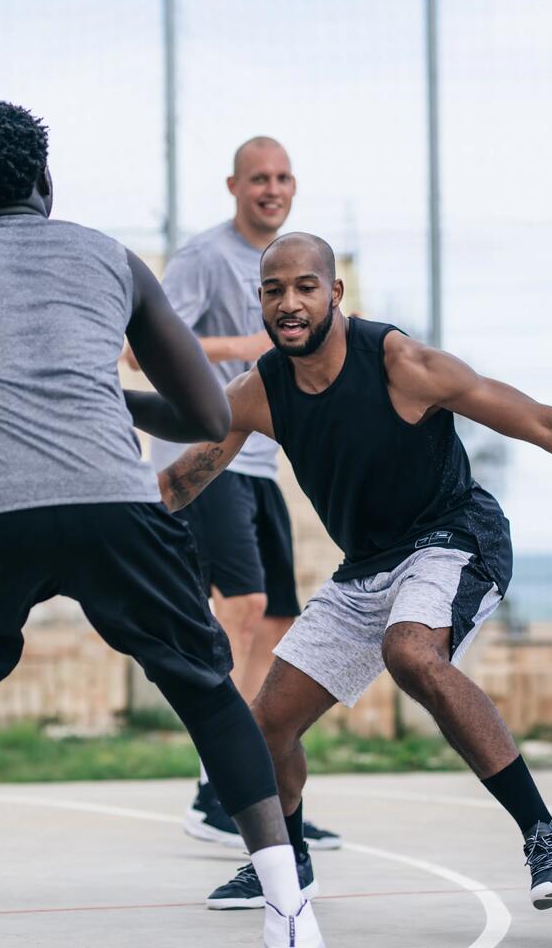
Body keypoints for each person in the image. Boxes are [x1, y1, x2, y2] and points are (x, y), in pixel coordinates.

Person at [0, 103, 325, 948]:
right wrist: (96, 394)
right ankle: (289, 910)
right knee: (205, 688)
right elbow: (204, 412)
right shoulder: (110, 257)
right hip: (114, 509)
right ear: (45, 180)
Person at [157, 231, 552, 914]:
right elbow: (180, 483)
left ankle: (546, 837)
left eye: (304, 287)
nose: (289, 303)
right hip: (366, 567)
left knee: (411, 650)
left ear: (335, 293)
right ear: (260, 304)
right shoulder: (258, 392)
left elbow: (544, 423)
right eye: (273, 291)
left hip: (455, 537)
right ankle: (286, 862)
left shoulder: (401, 364)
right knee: (265, 727)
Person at [140, 137, 340, 856]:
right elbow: (146, 346)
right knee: (243, 607)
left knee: (281, 619)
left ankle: (255, 776)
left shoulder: (294, 267)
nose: (272, 187)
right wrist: (253, 346)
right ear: (234, 185)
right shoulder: (203, 257)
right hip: (202, 456)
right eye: (259, 177)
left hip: (260, 461)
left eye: (284, 176)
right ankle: (216, 787)